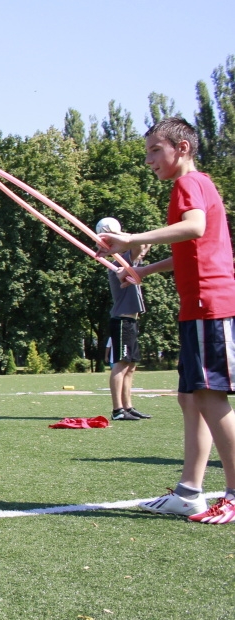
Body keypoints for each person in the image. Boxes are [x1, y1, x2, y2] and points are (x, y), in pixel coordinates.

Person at [99, 117, 235, 524]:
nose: (149, 160)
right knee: (191, 397)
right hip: (197, 305)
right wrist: (143, 270)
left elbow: (195, 227)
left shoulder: (188, 184)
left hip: (210, 303)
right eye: (147, 152)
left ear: (183, 148)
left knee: (210, 396)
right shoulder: (194, 186)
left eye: (156, 150)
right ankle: (189, 492)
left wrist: (134, 240)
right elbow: (189, 251)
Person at [95, 217, 151, 421]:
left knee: (130, 365)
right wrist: (119, 236)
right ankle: (118, 409)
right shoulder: (121, 262)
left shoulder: (130, 262)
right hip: (122, 320)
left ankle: (128, 406)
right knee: (120, 364)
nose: (144, 253)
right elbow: (140, 244)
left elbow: (145, 243)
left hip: (130, 321)